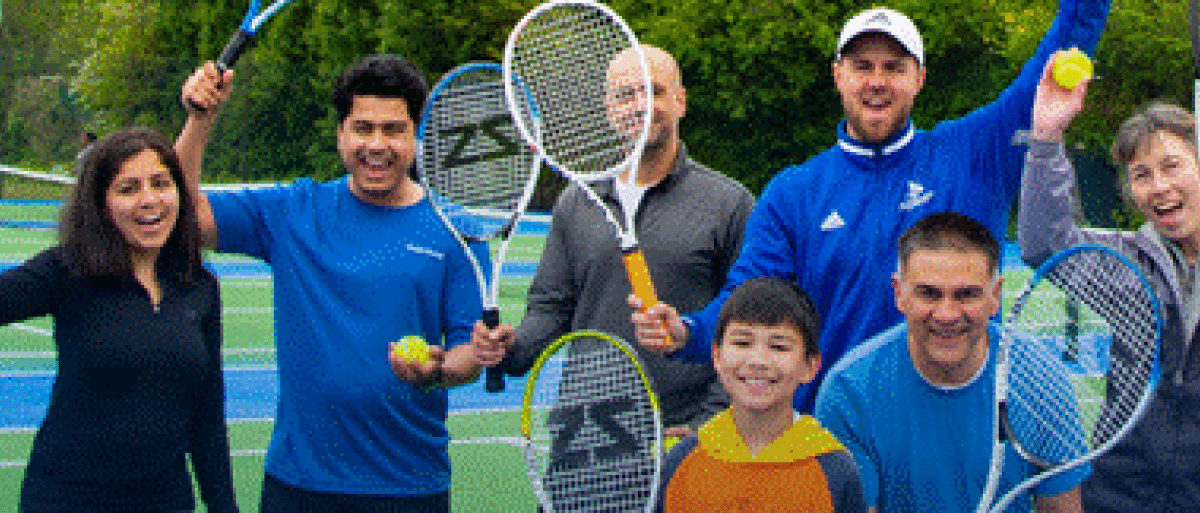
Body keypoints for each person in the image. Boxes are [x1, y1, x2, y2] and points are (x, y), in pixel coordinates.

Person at [630, 1, 1112, 414]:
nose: (877, 82)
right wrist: (689, 331)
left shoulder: (974, 153)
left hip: (958, 422)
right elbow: (750, 299)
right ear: (838, 76)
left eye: (894, 67)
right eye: (862, 66)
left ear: (919, 78)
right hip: (838, 430)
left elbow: (1062, 50)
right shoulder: (794, 192)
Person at [178, 55, 490, 512]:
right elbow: (182, 219)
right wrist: (200, 121)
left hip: (410, 485)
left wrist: (438, 370)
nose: (377, 145)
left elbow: (468, 350)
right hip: (299, 484)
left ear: (417, 135)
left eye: (393, 130)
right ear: (341, 133)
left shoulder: (458, 231)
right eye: (363, 128)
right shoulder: (294, 210)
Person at [474, 45, 755, 438]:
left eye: (654, 91)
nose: (640, 106)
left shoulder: (729, 204)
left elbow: (748, 325)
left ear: (681, 101)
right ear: (609, 109)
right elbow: (550, 310)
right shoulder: (576, 202)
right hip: (585, 436)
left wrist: (707, 424)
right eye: (626, 95)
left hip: (685, 437)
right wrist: (511, 348)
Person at [3, 128, 236, 512]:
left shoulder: (200, 287)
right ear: (101, 204)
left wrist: (223, 506)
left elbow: (207, 416)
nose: (149, 200)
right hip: (67, 499)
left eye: (160, 184)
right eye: (128, 189)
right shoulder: (68, 270)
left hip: (166, 501)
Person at [1018, 55, 1200, 510]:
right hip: (1118, 496)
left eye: (1172, 166)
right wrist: (1046, 137)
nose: (1159, 186)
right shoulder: (1124, 263)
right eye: (1141, 175)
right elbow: (1046, 245)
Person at [814, 212, 1087, 513]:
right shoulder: (848, 391)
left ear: (995, 296)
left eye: (966, 295)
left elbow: (1061, 507)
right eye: (929, 294)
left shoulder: (1043, 380)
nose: (946, 314)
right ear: (899, 293)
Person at [656, 277, 865, 512]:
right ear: (716, 356)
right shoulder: (682, 461)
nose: (758, 361)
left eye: (779, 347)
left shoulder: (834, 470)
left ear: (810, 366)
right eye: (742, 343)